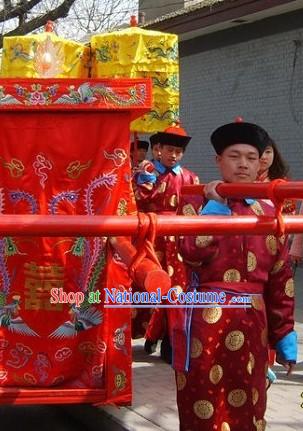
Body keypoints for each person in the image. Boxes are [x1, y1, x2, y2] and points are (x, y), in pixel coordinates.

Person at [174, 121, 297, 431]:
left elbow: (281, 279)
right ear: (219, 160)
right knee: (204, 398)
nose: (243, 164)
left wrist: (284, 333)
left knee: (250, 401)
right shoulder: (195, 200)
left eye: (251, 157)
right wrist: (215, 207)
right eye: (234, 156)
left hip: (253, 322)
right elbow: (190, 251)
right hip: (206, 318)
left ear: (261, 162)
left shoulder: (268, 212)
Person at [132, 123, 199, 361]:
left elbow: (193, 210)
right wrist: (144, 177)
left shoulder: (190, 177)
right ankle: (150, 334)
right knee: (148, 288)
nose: (173, 155)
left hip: (178, 241)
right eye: (169, 150)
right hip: (152, 238)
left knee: (176, 291)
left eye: (178, 151)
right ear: (158, 149)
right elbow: (139, 198)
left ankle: (171, 341)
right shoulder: (149, 171)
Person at [257, 137, 295, 214]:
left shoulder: (282, 183)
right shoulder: (238, 181)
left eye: (268, 152)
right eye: (259, 152)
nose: (264, 157)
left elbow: (289, 213)